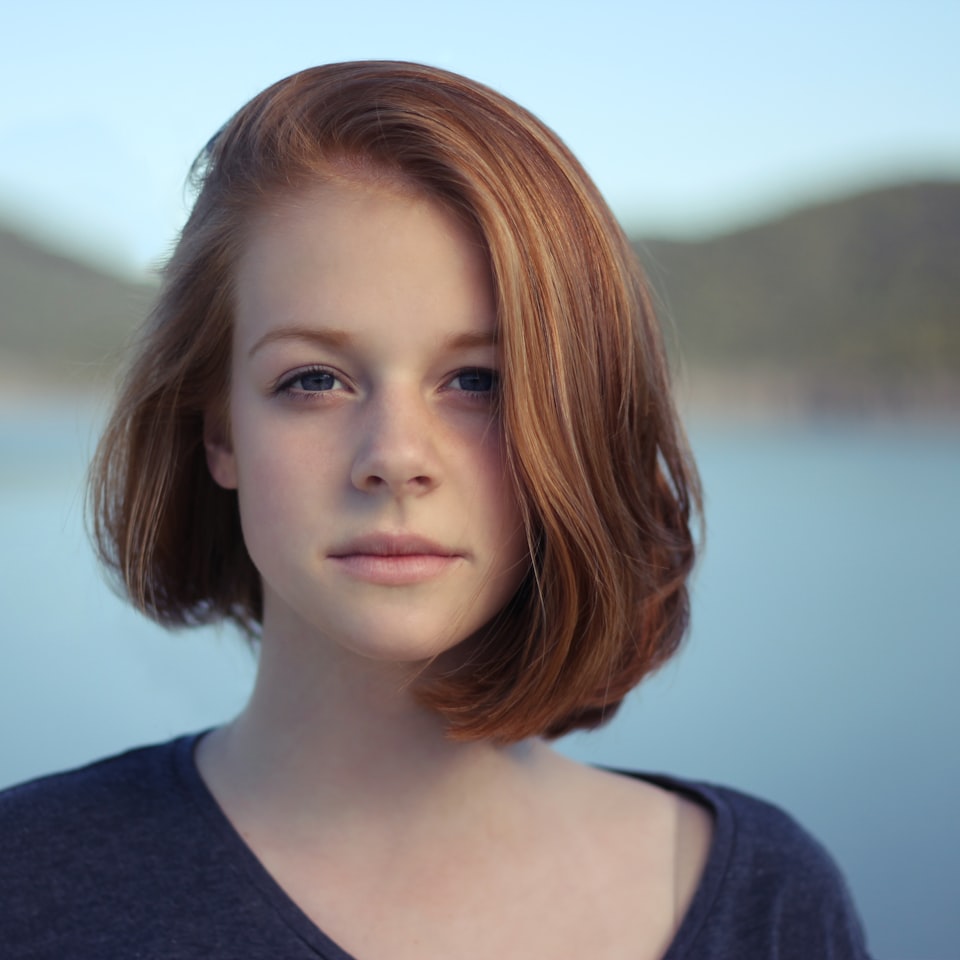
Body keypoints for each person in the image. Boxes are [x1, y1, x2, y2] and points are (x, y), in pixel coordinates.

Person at [0, 61, 870, 959]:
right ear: (220, 433)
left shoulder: (769, 901)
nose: (396, 458)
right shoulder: (24, 886)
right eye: (314, 380)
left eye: (477, 382)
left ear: (577, 421)